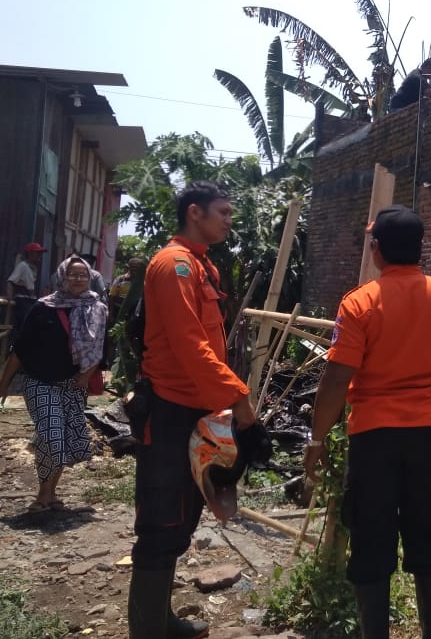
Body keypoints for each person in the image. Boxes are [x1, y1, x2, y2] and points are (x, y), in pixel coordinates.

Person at [304, 204, 431, 639]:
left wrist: (317, 437)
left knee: (371, 543)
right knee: (430, 541)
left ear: (377, 250)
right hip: (428, 437)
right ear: (420, 249)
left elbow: (336, 379)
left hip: (373, 440)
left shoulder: (360, 302)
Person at [128, 181, 258, 639]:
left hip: (197, 409)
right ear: (195, 213)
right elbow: (190, 347)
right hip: (168, 411)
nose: (229, 219)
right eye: (222, 212)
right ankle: (147, 630)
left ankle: (160, 622)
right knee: (162, 521)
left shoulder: (202, 267)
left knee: (183, 517)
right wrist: (239, 398)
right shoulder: (175, 266)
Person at [0, 255, 107, 512]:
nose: (78, 279)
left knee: (66, 438)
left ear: (90, 278)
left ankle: (50, 494)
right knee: (52, 436)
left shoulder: (97, 308)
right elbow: (20, 350)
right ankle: (42, 495)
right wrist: (4, 384)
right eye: (72, 274)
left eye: (83, 274)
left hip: (72, 385)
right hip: (39, 381)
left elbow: (99, 346)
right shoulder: (43, 307)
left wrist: (85, 375)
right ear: (62, 276)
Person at [7, 242, 45, 336]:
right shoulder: (23, 266)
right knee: (24, 326)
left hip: (31, 300)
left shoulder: (33, 268)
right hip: (23, 300)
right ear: (30, 253)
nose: (39, 255)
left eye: (39, 253)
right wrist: (10, 297)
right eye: (37, 252)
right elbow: (11, 281)